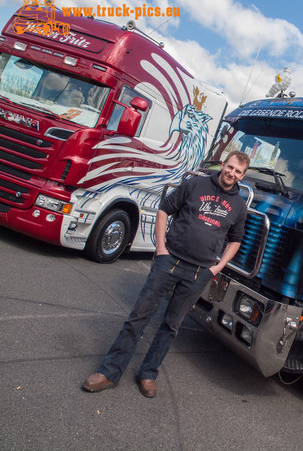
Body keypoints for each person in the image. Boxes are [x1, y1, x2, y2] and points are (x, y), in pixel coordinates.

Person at [83, 151, 250, 398]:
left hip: (198, 273)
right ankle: (109, 372)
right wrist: (161, 249)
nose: (232, 173)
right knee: (138, 316)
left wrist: (216, 268)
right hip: (169, 262)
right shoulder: (195, 184)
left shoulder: (238, 206)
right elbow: (164, 209)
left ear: (242, 175)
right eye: (230, 167)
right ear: (223, 164)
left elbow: (235, 240)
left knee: (171, 326)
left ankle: (148, 374)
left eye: (238, 171)